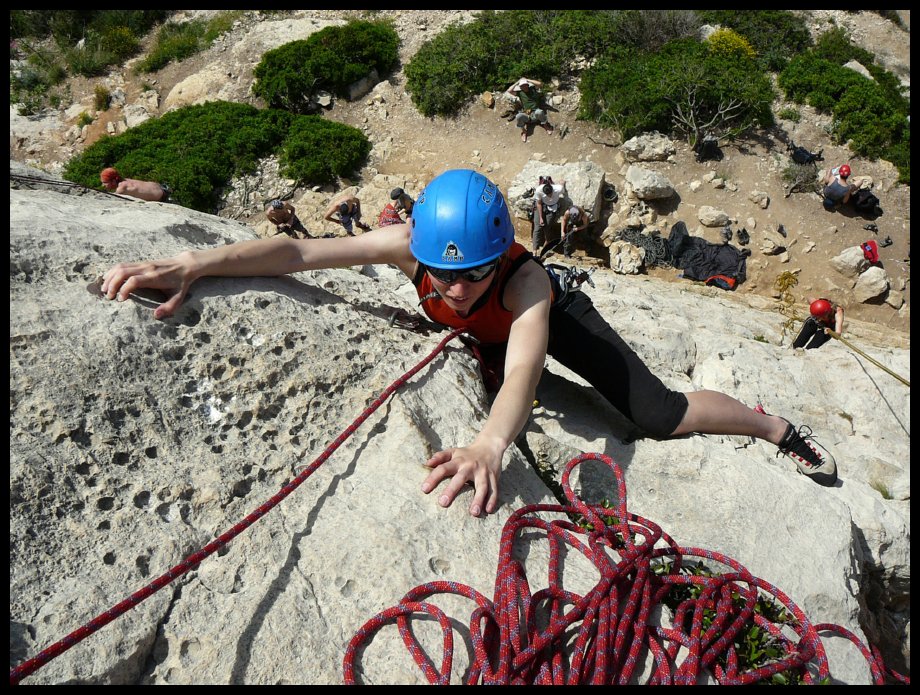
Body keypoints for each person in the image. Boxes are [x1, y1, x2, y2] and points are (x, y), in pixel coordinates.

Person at [100, 169, 838, 519]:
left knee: (656, 412)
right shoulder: (407, 246)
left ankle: (776, 426)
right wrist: (196, 264)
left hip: (559, 326)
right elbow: (299, 255)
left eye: (472, 274)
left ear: (499, 257)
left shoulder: (527, 288)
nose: (453, 288)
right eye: (443, 274)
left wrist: (489, 444)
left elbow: (525, 370)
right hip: (482, 339)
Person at [505, 78, 554, 143]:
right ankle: (524, 131)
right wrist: (518, 81)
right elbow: (509, 90)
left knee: (540, 112)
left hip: (536, 115)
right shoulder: (520, 93)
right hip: (527, 115)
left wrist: (527, 80)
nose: (524, 87)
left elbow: (540, 84)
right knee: (519, 116)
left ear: (527, 85)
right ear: (520, 87)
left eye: (525, 85)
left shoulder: (533, 89)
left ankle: (545, 126)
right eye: (522, 86)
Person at [532, 179, 567, 256]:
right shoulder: (539, 191)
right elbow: (539, 204)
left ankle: (545, 247)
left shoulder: (558, 189)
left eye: (550, 194)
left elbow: (562, 186)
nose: (549, 196)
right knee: (537, 227)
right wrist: (541, 217)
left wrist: (562, 183)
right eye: (547, 195)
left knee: (547, 227)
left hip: (552, 208)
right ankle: (534, 251)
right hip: (541, 206)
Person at [100, 167, 171, 203]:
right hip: (162, 188)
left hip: (163, 198)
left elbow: (111, 199)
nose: (103, 185)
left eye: (105, 182)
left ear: (113, 181)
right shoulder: (125, 180)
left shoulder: (121, 189)